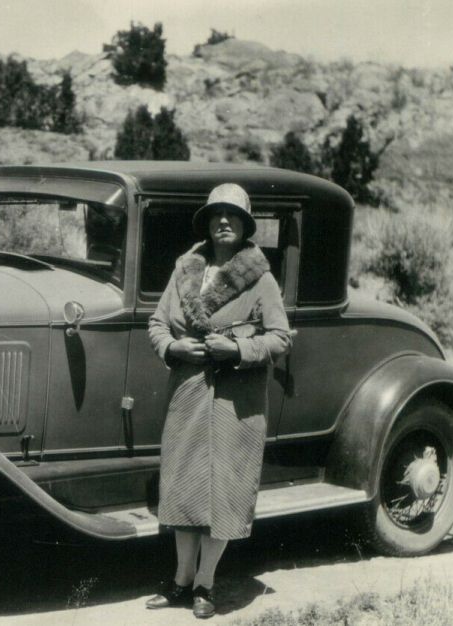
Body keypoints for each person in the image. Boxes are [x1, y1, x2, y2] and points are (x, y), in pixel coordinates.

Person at [145, 183, 291, 619]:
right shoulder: (185, 271)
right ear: (207, 224)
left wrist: (240, 351)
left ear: (246, 225)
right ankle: (180, 581)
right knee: (183, 490)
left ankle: (206, 584)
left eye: (232, 215)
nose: (222, 221)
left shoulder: (259, 278)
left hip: (236, 401)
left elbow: (280, 337)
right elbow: (157, 322)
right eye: (215, 215)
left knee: (225, 492)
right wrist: (173, 349)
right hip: (188, 393)